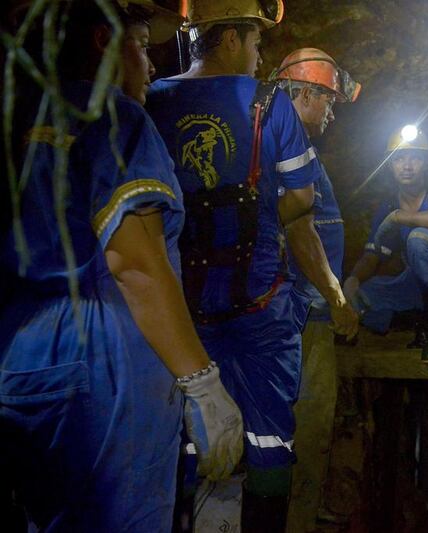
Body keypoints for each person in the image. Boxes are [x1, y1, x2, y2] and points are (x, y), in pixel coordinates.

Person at [0, 1, 242, 531]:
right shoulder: (111, 115)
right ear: (102, 41)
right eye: (139, 42)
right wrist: (201, 382)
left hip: (25, 358)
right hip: (104, 361)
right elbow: (133, 260)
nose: (152, 64)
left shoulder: (25, 117)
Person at [145, 1, 323, 529]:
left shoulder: (152, 102)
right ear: (229, 40)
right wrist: (260, 212)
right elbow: (303, 198)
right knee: (271, 437)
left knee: (180, 440)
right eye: (255, 42)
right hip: (259, 308)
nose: (257, 55)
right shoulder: (271, 103)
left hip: (180, 315)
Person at [269, 48, 360, 532]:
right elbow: (301, 232)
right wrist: (337, 298)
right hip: (304, 319)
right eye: (326, 100)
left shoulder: (292, 151)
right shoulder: (287, 154)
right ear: (302, 94)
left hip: (301, 313)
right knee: (306, 438)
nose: (330, 112)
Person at [343, 127, 428, 363]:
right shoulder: (388, 206)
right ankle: (416, 322)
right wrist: (353, 280)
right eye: (398, 159)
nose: (407, 166)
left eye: (415, 158)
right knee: (362, 295)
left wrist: (400, 218)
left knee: (418, 238)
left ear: (425, 162)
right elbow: (372, 254)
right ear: (389, 165)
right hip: (417, 286)